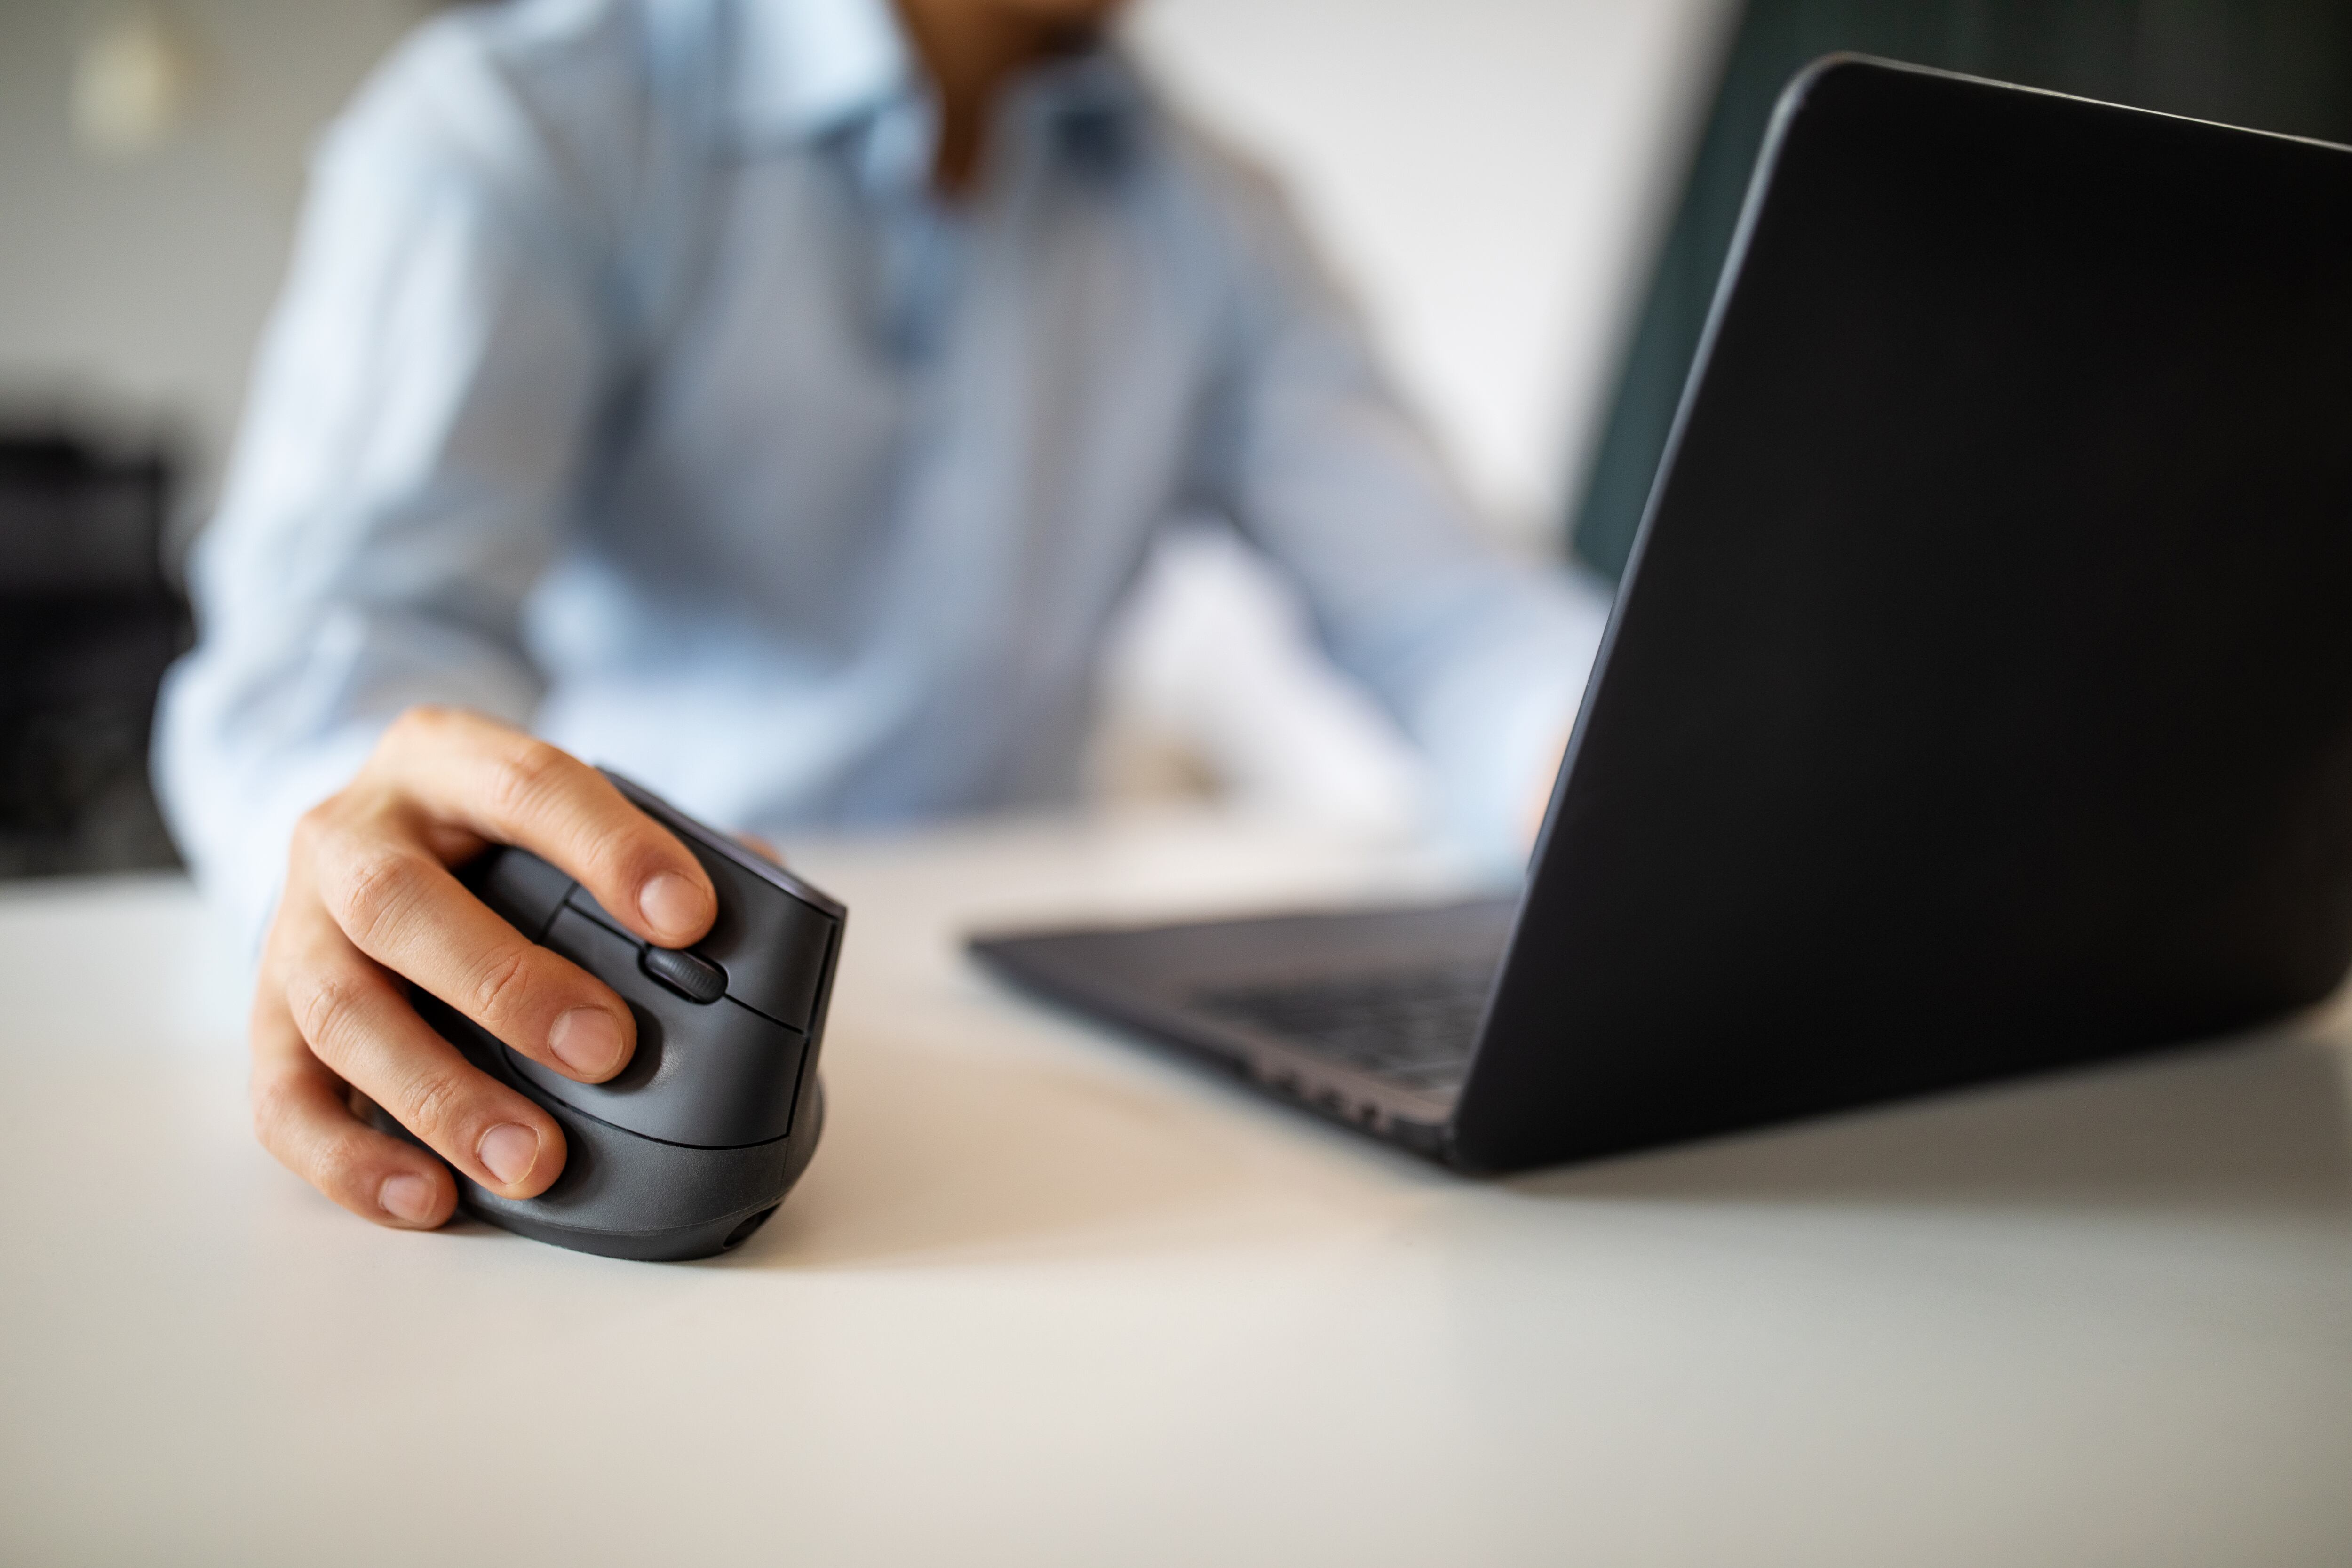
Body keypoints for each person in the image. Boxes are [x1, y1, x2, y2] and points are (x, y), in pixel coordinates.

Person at [156, 0, 1607, 1234]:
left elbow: (1456, 621)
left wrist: (1635, 790)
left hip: (1043, 1077)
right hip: (624, 1008)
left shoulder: (1209, 214)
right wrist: (365, 857)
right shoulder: (527, 124)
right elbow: (330, 662)